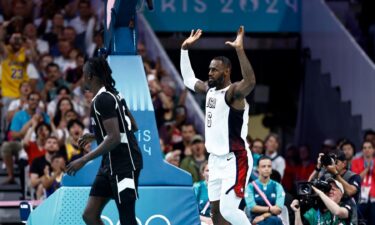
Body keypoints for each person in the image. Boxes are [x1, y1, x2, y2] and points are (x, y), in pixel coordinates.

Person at [180, 26, 255, 225]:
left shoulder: (234, 94)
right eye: (209, 69)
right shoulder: (209, 90)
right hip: (214, 160)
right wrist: (184, 50)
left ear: (227, 71)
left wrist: (239, 49)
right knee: (216, 214)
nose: (210, 72)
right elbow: (188, 79)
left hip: (235, 159)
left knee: (229, 210)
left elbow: (250, 81)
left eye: (214, 69)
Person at [66, 57, 143, 225]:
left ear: (90, 76)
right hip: (109, 164)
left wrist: (83, 160)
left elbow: (115, 137)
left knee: (127, 219)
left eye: (83, 73)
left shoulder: (104, 100)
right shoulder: (113, 95)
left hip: (125, 164)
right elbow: (131, 126)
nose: (82, 77)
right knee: (89, 215)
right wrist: (97, 135)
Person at [245, 156, 285, 225]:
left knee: (274, 220)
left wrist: (263, 216)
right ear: (258, 168)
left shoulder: (278, 186)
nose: (267, 169)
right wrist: (270, 209)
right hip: (255, 220)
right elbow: (252, 207)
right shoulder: (250, 187)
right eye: (263, 166)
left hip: (274, 220)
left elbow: (278, 209)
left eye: (269, 166)